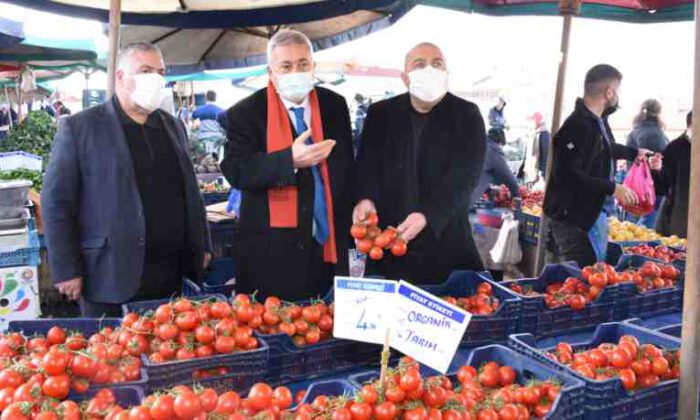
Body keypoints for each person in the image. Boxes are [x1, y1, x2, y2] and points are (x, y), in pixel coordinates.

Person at [42, 42, 211, 317]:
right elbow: (56, 202)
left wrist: (201, 244)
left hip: (171, 273)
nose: (155, 79)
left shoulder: (172, 125)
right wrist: (66, 269)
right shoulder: (81, 127)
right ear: (120, 76)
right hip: (109, 275)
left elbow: (191, 191)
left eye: (160, 72)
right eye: (145, 71)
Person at [220, 29, 353, 300]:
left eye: (303, 64)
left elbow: (346, 168)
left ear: (313, 67)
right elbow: (237, 170)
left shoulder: (334, 105)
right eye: (286, 66)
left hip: (329, 244)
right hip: (272, 252)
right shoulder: (244, 113)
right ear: (272, 72)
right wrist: (288, 161)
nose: (296, 72)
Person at [354, 42, 486, 284]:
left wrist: (428, 214)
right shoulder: (381, 114)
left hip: (445, 243)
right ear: (405, 78)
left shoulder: (467, 115)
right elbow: (365, 168)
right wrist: (365, 198)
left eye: (437, 64)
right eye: (420, 64)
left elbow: (465, 178)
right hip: (388, 243)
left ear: (446, 73)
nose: (430, 70)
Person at [544, 64, 650, 267]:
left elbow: (605, 148)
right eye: (617, 91)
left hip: (590, 216)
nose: (618, 97)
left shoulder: (597, 121)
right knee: (580, 282)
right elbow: (568, 175)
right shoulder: (576, 126)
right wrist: (613, 188)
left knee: (592, 276)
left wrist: (635, 153)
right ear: (609, 92)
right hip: (573, 221)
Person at [626, 99, 669, 228]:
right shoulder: (655, 134)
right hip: (651, 190)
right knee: (646, 229)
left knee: (632, 226)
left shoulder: (635, 132)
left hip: (635, 187)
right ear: (659, 113)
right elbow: (662, 162)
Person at [649, 111, 692, 238]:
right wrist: (657, 169)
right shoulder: (676, 148)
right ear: (690, 124)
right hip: (680, 219)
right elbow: (662, 186)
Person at [471, 128, 520, 206]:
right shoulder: (493, 150)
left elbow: (477, 173)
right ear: (500, 142)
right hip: (465, 197)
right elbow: (507, 176)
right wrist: (517, 195)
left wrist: (488, 189)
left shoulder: (477, 145)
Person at [519, 112, 550, 183]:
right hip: (531, 171)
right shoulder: (533, 134)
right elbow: (527, 154)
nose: (529, 123)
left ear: (537, 121)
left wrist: (542, 173)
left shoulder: (544, 135)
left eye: (531, 120)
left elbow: (545, 155)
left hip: (538, 173)